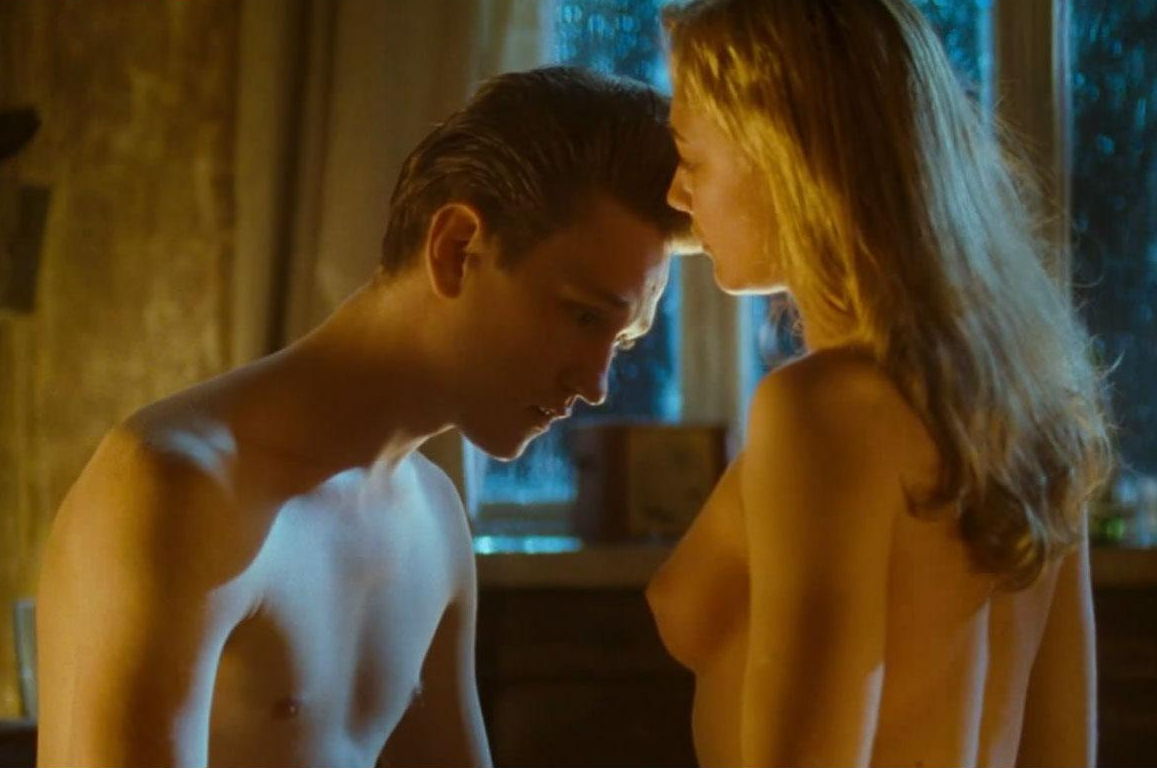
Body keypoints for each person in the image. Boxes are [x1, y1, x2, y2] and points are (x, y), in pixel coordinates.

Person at [36, 65, 688, 768]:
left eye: (622, 341)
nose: (596, 384)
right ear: (457, 249)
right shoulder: (176, 488)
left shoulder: (432, 517)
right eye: (583, 316)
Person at [645, 1, 1113, 766]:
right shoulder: (1029, 402)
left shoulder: (823, 410)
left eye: (690, 157)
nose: (675, 193)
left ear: (784, 156)